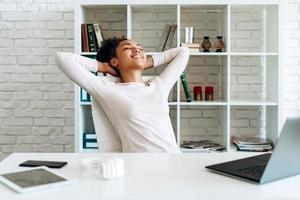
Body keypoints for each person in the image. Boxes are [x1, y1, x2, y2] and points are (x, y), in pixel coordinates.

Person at [55, 36, 190, 153]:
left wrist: (145, 62)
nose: (137, 50)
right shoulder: (108, 90)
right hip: (137, 165)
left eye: (139, 48)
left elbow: (183, 52)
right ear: (115, 61)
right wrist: (104, 67)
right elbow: (62, 59)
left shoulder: (159, 85)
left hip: (173, 159)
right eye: (127, 48)